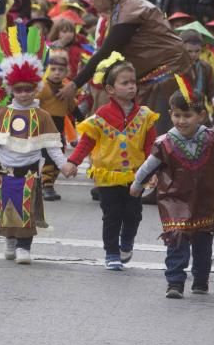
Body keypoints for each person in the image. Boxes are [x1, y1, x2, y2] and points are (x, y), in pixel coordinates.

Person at [58, 0, 191, 133]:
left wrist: (74, 84)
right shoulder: (119, 9)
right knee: (144, 127)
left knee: (161, 129)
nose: (90, 0)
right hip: (153, 69)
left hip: (169, 68)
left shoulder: (129, 9)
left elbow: (106, 52)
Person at [130, 82, 214, 298]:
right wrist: (137, 185)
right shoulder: (164, 143)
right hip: (174, 201)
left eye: (187, 115)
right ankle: (175, 282)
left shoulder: (213, 141)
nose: (181, 121)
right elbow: (149, 167)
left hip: (204, 201)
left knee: (203, 246)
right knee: (176, 241)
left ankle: (201, 280)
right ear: (170, 114)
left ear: (201, 115)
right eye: (177, 115)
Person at [62, 54, 158, 270]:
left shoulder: (145, 116)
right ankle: (112, 252)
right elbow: (86, 143)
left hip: (136, 175)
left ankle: (127, 241)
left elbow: (151, 146)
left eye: (133, 82)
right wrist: (73, 162)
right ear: (110, 89)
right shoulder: (100, 116)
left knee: (133, 214)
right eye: (125, 83)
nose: (131, 87)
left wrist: (153, 171)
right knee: (112, 215)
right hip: (107, 176)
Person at [0, 29, 69, 264]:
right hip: (5, 172)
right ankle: (10, 240)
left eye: (28, 88)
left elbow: (52, 146)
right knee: (7, 210)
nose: (23, 94)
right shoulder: (3, 114)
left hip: (30, 172)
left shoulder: (42, 115)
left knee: (27, 212)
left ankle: (24, 247)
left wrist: (65, 165)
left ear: (35, 88)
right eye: (18, 89)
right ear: (11, 90)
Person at [36, 53, 79, 202]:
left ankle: (48, 183)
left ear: (66, 72)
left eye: (61, 70)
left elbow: (73, 107)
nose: (56, 73)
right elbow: (33, 104)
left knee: (58, 157)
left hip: (59, 129)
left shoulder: (67, 89)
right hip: (43, 129)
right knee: (47, 157)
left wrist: (83, 120)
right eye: (53, 69)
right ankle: (46, 186)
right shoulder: (42, 87)